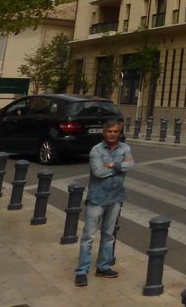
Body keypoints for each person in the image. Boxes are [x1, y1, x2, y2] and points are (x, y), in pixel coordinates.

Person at [74, 120, 134, 286]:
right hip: (97, 197)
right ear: (104, 133)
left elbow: (131, 165)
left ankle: (103, 266)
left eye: (115, 131)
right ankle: (82, 270)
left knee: (108, 234)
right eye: (110, 131)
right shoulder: (96, 150)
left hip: (116, 197)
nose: (113, 134)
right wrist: (120, 166)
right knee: (89, 236)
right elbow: (98, 172)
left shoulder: (125, 148)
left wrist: (113, 164)